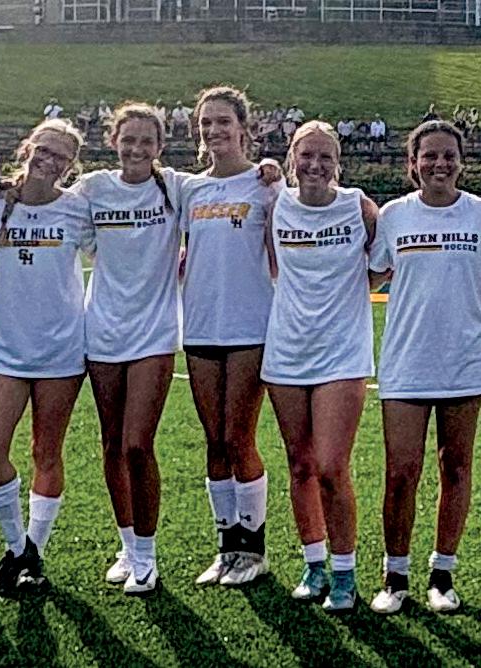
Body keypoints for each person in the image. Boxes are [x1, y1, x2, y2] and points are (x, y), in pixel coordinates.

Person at [366, 120, 481, 614]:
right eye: (429, 155)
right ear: (413, 163)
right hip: (405, 361)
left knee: (456, 467)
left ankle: (442, 574)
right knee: (401, 472)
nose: (439, 164)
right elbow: (369, 274)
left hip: (464, 361)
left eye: (448, 155)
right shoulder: (393, 216)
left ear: (461, 162)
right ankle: (395, 575)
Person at [0, 119, 94, 597]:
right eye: (44, 149)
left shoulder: (78, 208)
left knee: (46, 451)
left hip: (62, 349)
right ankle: (18, 547)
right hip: (6, 349)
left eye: (61, 156)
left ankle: (32, 555)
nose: (49, 160)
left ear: (71, 165)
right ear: (27, 148)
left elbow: (117, 250)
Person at [75, 102, 190, 595]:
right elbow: (50, 204)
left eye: (147, 141)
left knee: (138, 444)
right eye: (128, 140)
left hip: (155, 334)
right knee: (111, 443)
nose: (137, 149)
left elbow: (228, 187)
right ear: (113, 141)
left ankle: (147, 554)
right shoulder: (93, 188)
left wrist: (268, 170)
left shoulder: (176, 188)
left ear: (160, 146)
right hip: (102, 330)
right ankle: (126, 547)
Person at [266, 120, 380, 612]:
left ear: (338, 163)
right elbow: (272, 264)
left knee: (332, 466)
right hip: (287, 351)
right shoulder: (275, 204)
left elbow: (381, 266)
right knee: (300, 464)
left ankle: (345, 572)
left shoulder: (359, 207)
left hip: (342, 354)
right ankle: (314, 565)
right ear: (292, 159)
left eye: (325, 157)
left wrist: (343, 301)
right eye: (306, 155)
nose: (315, 165)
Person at [181, 86, 282, 588]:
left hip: (249, 326)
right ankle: (226, 547)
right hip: (200, 325)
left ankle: (253, 549)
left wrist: (276, 172)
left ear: (244, 128)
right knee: (214, 440)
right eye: (206, 123)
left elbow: (281, 256)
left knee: (239, 437)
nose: (214, 130)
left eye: (224, 121)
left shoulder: (264, 186)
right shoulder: (188, 190)